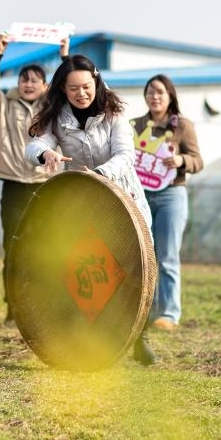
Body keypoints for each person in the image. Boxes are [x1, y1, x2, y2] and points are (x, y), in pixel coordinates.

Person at [25, 55, 156, 365]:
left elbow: (126, 157)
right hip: (82, 205)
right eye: (73, 89)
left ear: (96, 83)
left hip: (125, 200)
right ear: (62, 90)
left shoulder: (115, 113)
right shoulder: (56, 116)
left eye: (86, 86)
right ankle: (86, 337)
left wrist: (98, 176)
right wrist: (45, 153)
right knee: (83, 267)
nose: (81, 93)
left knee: (136, 267)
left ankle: (140, 335)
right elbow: (33, 146)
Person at [0, 32, 67, 324]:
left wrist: (65, 56)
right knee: (14, 246)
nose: (28, 84)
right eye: (23, 79)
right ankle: (13, 306)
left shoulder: (54, 107)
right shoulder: (4, 105)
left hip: (46, 185)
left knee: (44, 246)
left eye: (34, 80)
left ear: (45, 85)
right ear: (17, 84)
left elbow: (71, 86)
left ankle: (42, 302)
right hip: (14, 184)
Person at [131, 74, 203, 331]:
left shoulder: (182, 126)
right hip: (141, 195)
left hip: (172, 194)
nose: (155, 96)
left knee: (168, 255)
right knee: (141, 255)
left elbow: (198, 161)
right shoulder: (135, 125)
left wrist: (182, 160)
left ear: (170, 95)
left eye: (160, 92)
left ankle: (169, 313)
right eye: (150, 92)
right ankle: (143, 310)